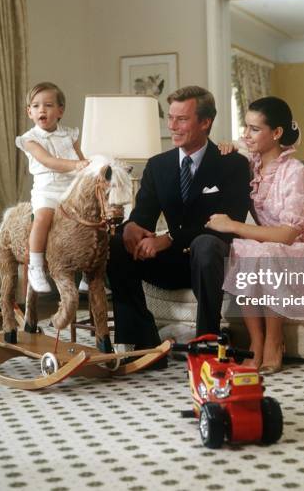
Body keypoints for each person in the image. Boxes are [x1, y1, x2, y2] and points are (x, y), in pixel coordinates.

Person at [106, 86, 251, 362]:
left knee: (207, 244)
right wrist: (133, 227)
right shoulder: (158, 166)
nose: (172, 126)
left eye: (181, 119)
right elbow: (143, 217)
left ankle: (206, 345)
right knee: (116, 244)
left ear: (205, 122)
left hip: (213, 262)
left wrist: (169, 238)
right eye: (170, 118)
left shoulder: (232, 164)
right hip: (172, 264)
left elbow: (229, 223)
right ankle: (141, 343)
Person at [206, 96, 304, 373]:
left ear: (277, 133)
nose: (247, 135)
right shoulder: (250, 164)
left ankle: (273, 339)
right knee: (243, 249)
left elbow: (286, 235)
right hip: (264, 243)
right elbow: (235, 151)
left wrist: (233, 224)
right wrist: (227, 146)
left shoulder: (297, 173)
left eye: (255, 129)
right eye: (245, 127)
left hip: (296, 244)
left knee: (264, 250)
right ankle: (255, 341)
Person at [16, 82, 89, 293]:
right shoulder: (30, 139)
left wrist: (87, 166)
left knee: (90, 221)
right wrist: (76, 165)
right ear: (29, 112)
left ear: (60, 110)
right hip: (47, 190)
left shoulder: (70, 134)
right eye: (36, 106)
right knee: (43, 217)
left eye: (48, 105)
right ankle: (36, 266)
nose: (42, 110)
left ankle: (88, 271)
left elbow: (81, 159)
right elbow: (48, 161)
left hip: (71, 189)